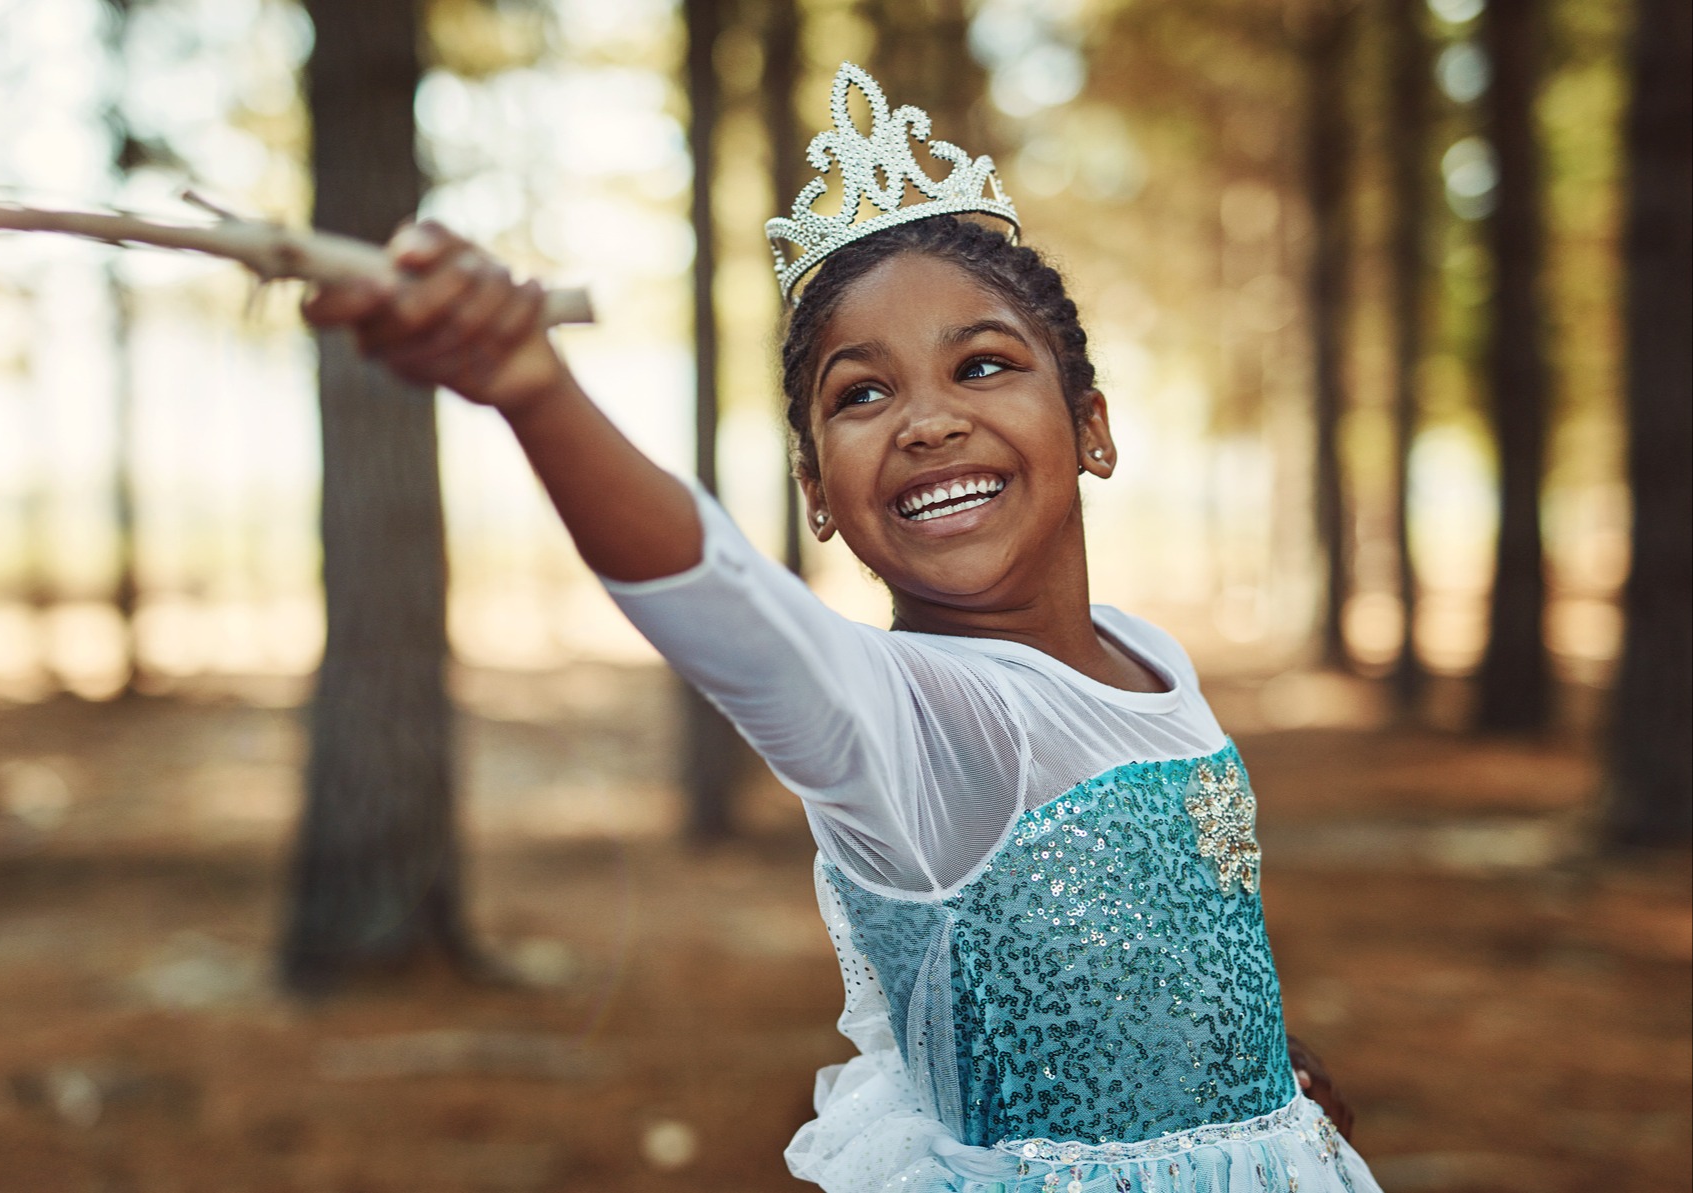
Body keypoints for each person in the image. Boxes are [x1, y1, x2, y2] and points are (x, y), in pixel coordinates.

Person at [303, 60, 1380, 1193]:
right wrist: (534, 385)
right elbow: (724, 602)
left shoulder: (1146, 653)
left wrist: (1250, 1078)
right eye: (861, 394)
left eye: (983, 365)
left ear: (1091, 427)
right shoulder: (914, 724)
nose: (926, 421)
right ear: (817, 490)